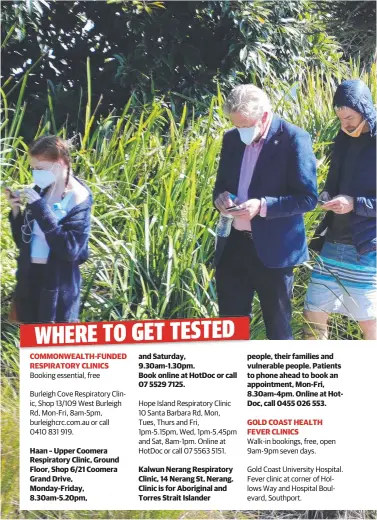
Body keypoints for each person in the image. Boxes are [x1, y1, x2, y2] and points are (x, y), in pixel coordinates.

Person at [213, 84, 317, 340]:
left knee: (278, 330)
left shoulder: (294, 138)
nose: (241, 132)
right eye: (236, 125)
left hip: (275, 251)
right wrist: (221, 199)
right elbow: (220, 186)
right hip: (234, 246)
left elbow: (307, 198)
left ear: (265, 116)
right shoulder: (232, 138)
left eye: (246, 126)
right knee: (230, 327)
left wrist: (262, 206)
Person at [304, 79, 376, 340]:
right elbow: (334, 183)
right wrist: (327, 195)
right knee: (313, 315)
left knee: (370, 324)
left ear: (365, 109)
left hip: (367, 246)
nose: (345, 124)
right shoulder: (343, 138)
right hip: (333, 240)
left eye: (350, 117)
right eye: (340, 118)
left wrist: (354, 204)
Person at [6, 135, 92, 323]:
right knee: (30, 340)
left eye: (40, 168)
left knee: (54, 342)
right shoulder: (41, 189)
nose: (36, 174)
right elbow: (23, 240)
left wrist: (40, 208)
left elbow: (70, 249)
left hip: (58, 283)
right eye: (33, 168)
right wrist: (16, 210)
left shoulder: (79, 197)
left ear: (60, 163)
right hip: (30, 277)